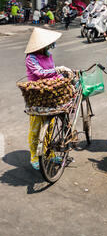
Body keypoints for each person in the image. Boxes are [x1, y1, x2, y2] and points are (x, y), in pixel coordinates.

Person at [24, 27, 72, 169]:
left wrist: (63, 78)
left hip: (50, 95)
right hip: (37, 96)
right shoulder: (31, 58)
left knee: (50, 125)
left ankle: (48, 153)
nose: (50, 46)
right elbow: (40, 73)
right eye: (47, 44)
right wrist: (58, 70)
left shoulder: (48, 55)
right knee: (36, 128)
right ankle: (34, 156)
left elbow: (53, 74)